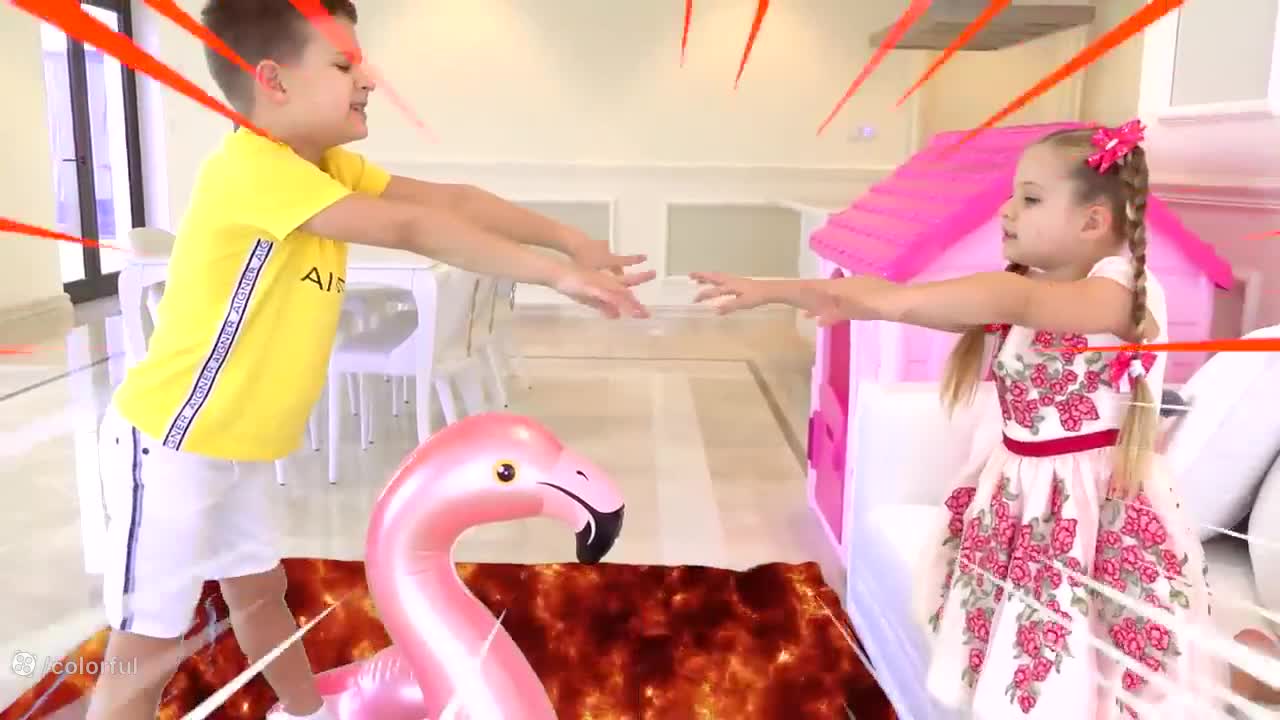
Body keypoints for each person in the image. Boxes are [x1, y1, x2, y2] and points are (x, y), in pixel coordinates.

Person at [87, 1, 655, 718]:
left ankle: (307, 712)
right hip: (169, 444)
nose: (369, 78)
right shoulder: (252, 169)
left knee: (260, 596)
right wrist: (556, 274)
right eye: (343, 64)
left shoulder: (326, 168)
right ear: (274, 81)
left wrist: (570, 241)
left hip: (237, 448)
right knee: (145, 653)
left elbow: (453, 200)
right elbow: (412, 224)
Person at [690, 122, 1280, 716]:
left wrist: (894, 299)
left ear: (1093, 221)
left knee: (1106, 653)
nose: (1007, 211)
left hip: (1086, 503)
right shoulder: (1035, 288)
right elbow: (917, 301)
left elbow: (1014, 301)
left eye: (1030, 198)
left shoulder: (1125, 290)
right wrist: (789, 290)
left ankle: (1247, 674)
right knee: (1015, 641)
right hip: (1021, 491)